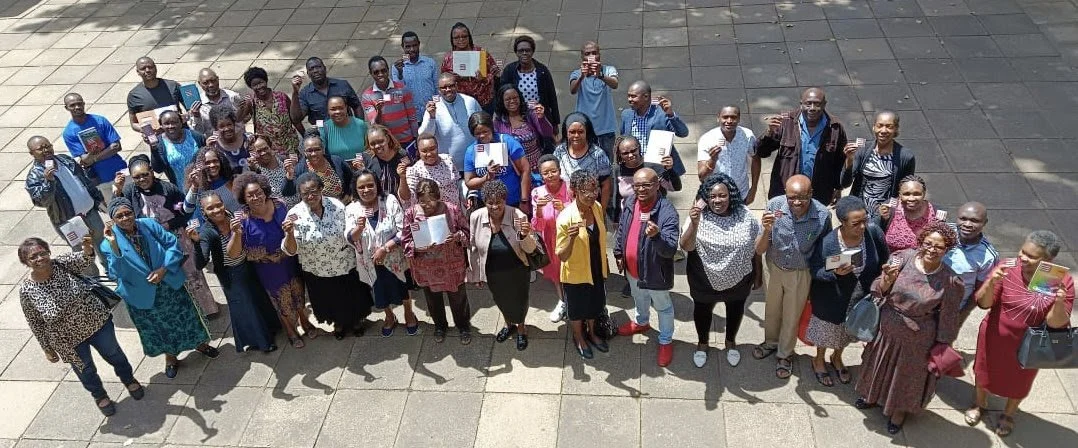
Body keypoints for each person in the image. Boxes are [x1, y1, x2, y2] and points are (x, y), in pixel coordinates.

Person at [854, 221, 963, 434]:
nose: (932, 249)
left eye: (939, 246)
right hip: (887, 327)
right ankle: (871, 396)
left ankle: (898, 411)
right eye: (928, 243)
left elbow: (949, 317)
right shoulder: (902, 258)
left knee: (905, 376)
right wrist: (887, 281)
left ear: (947, 249)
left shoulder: (950, 281)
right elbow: (878, 289)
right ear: (920, 242)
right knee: (878, 364)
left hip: (917, 338)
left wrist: (942, 344)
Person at [18, 236, 143, 416]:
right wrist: (46, 348)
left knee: (114, 353)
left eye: (42, 253)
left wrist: (87, 248)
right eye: (33, 257)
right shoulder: (26, 290)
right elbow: (34, 322)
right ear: (26, 262)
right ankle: (99, 395)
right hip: (67, 339)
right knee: (85, 369)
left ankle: (129, 379)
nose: (40, 258)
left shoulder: (62, 263)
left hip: (97, 323)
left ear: (49, 252)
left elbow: (85, 258)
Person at [967, 230, 1074, 437]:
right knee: (983, 371)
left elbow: (1055, 323)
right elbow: (984, 303)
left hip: (1029, 344)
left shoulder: (1059, 280)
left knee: (1020, 381)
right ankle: (979, 404)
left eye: (1031, 256)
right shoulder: (1007, 268)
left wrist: (1060, 301)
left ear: (1047, 260)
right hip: (994, 336)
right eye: (1022, 251)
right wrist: (991, 282)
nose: (1022, 258)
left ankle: (1008, 414)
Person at [100, 197, 219, 379]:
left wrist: (164, 269)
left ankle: (199, 344)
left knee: (185, 317)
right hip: (142, 294)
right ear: (113, 220)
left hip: (168, 284)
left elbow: (172, 244)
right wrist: (115, 245)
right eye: (119, 216)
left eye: (128, 213)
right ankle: (170, 357)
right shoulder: (108, 244)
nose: (125, 218)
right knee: (160, 328)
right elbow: (117, 273)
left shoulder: (148, 225)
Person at [114, 154, 219, 318]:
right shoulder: (130, 192)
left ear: (151, 171)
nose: (142, 179)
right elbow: (120, 212)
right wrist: (117, 191)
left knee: (192, 274)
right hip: (153, 243)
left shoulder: (168, 189)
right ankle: (188, 312)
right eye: (137, 177)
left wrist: (166, 225)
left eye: (145, 174)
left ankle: (208, 309)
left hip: (178, 238)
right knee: (171, 277)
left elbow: (185, 213)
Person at [753, 174, 832, 380]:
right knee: (772, 311)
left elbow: (824, 250)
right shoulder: (774, 206)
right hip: (774, 268)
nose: (797, 202)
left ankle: (785, 354)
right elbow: (759, 249)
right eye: (792, 197)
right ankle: (771, 342)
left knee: (791, 315)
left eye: (803, 197)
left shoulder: (822, 215)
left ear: (811, 194)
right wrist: (766, 230)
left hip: (800, 272)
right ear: (785, 195)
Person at [681, 172, 763, 368]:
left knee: (735, 310)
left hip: (739, 279)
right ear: (705, 198)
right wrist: (694, 224)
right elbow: (686, 246)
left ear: (731, 195)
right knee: (702, 311)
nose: (717, 200)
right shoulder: (697, 216)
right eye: (712, 196)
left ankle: (730, 342)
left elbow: (755, 247)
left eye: (722, 195)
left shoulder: (745, 216)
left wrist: (758, 274)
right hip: (703, 279)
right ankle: (702, 344)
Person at [806, 196, 888, 386]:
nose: (862, 226)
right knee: (827, 333)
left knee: (847, 331)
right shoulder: (828, 243)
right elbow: (815, 269)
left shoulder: (873, 233)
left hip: (860, 297)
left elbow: (884, 259)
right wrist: (834, 273)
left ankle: (837, 357)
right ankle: (819, 360)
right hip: (832, 299)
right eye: (855, 223)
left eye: (864, 220)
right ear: (842, 222)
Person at [283, 172, 374, 339]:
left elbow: (349, 232)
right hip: (318, 269)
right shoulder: (294, 214)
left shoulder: (336, 205)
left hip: (344, 263)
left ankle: (356, 321)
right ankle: (338, 324)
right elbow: (291, 250)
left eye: (314, 191)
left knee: (351, 296)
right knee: (330, 300)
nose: (310, 196)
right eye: (305, 193)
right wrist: (289, 234)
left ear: (321, 189)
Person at [235, 173, 316, 348]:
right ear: (244, 198)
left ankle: (304, 320)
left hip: (290, 260)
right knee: (281, 300)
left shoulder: (280, 204)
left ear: (264, 191)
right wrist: (267, 256)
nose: (256, 197)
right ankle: (290, 330)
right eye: (250, 195)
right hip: (268, 268)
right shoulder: (242, 219)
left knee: (299, 292)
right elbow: (241, 250)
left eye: (258, 192)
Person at [192, 193, 277, 353]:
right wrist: (196, 244)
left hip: (247, 265)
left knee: (259, 298)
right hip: (231, 275)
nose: (216, 210)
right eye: (210, 208)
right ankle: (262, 342)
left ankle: (271, 328)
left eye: (218, 205)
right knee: (246, 308)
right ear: (203, 212)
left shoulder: (232, 216)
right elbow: (200, 263)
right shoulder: (206, 232)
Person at [614, 168, 680, 367]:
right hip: (632, 269)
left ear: (657, 185)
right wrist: (619, 253)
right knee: (639, 297)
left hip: (654, 273)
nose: (641, 189)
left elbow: (670, 249)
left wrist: (657, 236)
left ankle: (665, 340)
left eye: (646, 185)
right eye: (637, 185)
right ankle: (642, 322)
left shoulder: (667, 212)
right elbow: (622, 228)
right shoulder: (631, 202)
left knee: (663, 307)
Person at [346, 170, 419, 337]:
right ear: (355, 189)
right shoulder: (351, 209)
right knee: (379, 291)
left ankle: (408, 313)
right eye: (361, 187)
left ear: (377, 185)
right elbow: (349, 238)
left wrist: (385, 249)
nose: (366, 190)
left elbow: (403, 229)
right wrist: (359, 228)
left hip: (394, 257)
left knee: (402, 287)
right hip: (370, 261)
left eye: (370, 185)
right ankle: (389, 316)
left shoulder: (389, 200)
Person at [469, 180, 539, 351]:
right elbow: (473, 247)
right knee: (500, 299)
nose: (495, 207)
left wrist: (524, 235)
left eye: (499, 202)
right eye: (490, 203)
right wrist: (475, 274)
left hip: (517, 269)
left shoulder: (518, 215)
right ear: (484, 202)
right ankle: (508, 325)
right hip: (493, 271)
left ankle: (521, 328)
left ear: (505, 200)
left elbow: (531, 249)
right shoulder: (476, 217)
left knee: (519, 301)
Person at [402, 179, 472, 344]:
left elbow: (467, 232)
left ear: (439, 197)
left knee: (458, 298)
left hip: (451, 265)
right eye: (422, 201)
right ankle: (440, 326)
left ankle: (463, 326)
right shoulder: (411, 214)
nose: (427, 205)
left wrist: (456, 237)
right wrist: (419, 247)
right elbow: (405, 241)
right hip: (426, 268)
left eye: (431, 200)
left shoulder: (452, 210)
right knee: (433, 299)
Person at [24, 136, 107, 274]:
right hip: (68, 221)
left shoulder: (65, 160)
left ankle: (112, 271)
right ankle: (93, 281)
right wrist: (48, 182)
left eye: (48, 146)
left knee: (102, 243)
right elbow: (42, 201)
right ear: (32, 153)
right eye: (40, 149)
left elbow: (85, 180)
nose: (46, 150)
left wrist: (98, 199)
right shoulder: (34, 176)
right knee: (82, 252)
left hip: (90, 212)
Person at [755, 87, 852, 204]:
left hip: (818, 195)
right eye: (808, 104)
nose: (812, 108)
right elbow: (761, 152)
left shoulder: (835, 127)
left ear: (824, 105)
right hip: (785, 194)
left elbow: (839, 162)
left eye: (817, 104)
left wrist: (838, 188)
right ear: (801, 104)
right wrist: (769, 132)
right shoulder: (786, 122)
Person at [556, 171, 610, 359]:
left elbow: (599, 238)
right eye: (585, 191)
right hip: (576, 272)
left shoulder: (596, 207)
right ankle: (579, 337)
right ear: (574, 191)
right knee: (577, 309)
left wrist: (605, 262)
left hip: (595, 267)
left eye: (594, 189)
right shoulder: (565, 218)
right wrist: (570, 239)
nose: (591, 195)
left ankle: (593, 333)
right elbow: (562, 256)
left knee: (594, 303)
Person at [840, 111, 915, 216]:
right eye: (880, 126)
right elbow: (845, 183)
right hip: (859, 211)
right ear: (874, 127)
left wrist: (893, 210)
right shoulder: (862, 151)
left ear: (896, 129)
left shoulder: (906, 157)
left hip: (885, 213)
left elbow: (906, 188)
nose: (883, 130)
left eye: (889, 127)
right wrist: (849, 160)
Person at [531, 155, 572, 322]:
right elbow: (537, 226)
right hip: (550, 238)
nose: (550, 175)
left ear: (560, 171)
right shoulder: (537, 193)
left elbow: (580, 215)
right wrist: (539, 209)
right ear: (541, 175)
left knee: (572, 270)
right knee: (556, 273)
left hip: (570, 238)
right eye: (545, 173)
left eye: (553, 171)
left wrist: (564, 208)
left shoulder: (570, 189)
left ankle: (574, 302)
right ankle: (562, 301)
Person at [62, 92, 126, 201]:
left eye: (79, 103)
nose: (77, 107)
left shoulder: (100, 120)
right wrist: (92, 155)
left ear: (84, 104)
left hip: (119, 169)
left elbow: (116, 146)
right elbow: (85, 160)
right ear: (66, 108)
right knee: (113, 206)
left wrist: (94, 158)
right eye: (72, 105)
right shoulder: (69, 133)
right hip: (100, 178)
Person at [619, 80, 688, 179]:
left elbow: (683, 133)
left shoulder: (662, 114)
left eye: (633, 96)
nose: (629, 99)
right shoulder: (626, 115)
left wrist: (670, 114)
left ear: (646, 96)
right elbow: (623, 140)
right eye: (628, 96)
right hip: (635, 169)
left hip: (660, 170)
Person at [943, 202, 999, 324]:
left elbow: (979, 291)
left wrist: (961, 316)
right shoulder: (942, 232)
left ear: (984, 222)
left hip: (952, 309)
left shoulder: (988, 257)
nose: (967, 224)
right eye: (963, 219)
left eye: (974, 221)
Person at [463, 112, 531, 209]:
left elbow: (525, 170)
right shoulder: (471, 151)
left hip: (513, 202)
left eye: (485, 131)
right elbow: (469, 182)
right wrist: (487, 177)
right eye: (478, 133)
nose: (482, 136)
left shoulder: (508, 142)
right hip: (488, 206)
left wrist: (524, 200)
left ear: (491, 129)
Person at [418, 72, 482, 172]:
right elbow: (425, 135)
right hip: (448, 167)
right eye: (444, 87)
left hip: (473, 162)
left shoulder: (470, 101)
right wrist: (432, 117)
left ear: (456, 86)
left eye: (451, 86)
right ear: (439, 90)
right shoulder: (433, 108)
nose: (448, 89)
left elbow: (483, 125)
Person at [697, 105, 759, 204]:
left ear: (739, 119)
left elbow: (756, 159)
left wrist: (754, 188)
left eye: (733, 117)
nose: (729, 121)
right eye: (725, 117)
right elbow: (702, 176)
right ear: (718, 118)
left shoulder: (748, 136)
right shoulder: (707, 139)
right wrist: (712, 160)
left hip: (740, 193)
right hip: (715, 197)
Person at [500, 35, 561, 137]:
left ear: (532, 51)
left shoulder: (542, 71)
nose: (524, 53)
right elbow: (501, 94)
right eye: (521, 51)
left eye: (527, 50)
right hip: (518, 116)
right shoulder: (509, 70)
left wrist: (555, 122)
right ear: (516, 52)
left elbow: (552, 97)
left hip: (539, 116)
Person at [553, 113, 612, 213]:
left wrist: (601, 211)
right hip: (564, 208)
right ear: (566, 133)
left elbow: (606, 185)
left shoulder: (597, 154)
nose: (576, 135)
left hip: (590, 208)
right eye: (572, 132)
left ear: (587, 132)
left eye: (580, 132)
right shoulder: (559, 151)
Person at [569, 41, 619, 158]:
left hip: (606, 128)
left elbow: (615, 84)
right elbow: (572, 90)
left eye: (594, 53)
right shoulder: (577, 73)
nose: (591, 56)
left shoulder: (609, 70)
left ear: (599, 55)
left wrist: (600, 75)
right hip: (585, 128)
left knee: (607, 162)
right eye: (587, 54)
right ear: (582, 57)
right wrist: (582, 76)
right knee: (586, 161)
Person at [240, 66, 304, 157]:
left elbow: (295, 119)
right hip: (269, 152)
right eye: (255, 85)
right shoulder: (251, 102)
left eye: (261, 82)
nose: (259, 87)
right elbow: (240, 120)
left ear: (266, 81)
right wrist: (242, 107)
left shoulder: (282, 97)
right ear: (251, 87)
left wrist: (305, 135)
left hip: (291, 146)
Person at [613, 136, 680, 220]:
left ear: (639, 148)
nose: (630, 155)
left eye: (633, 151)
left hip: (655, 216)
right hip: (629, 218)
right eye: (625, 153)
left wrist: (670, 170)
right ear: (620, 154)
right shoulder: (618, 170)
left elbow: (675, 187)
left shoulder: (654, 166)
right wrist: (616, 220)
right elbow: (617, 197)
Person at [493, 84, 555, 172]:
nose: (512, 101)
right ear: (502, 102)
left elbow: (548, 133)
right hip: (515, 170)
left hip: (536, 167)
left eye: (515, 97)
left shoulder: (529, 113)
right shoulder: (498, 122)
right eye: (508, 99)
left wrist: (541, 118)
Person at [440, 22, 500, 112]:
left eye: (464, 36)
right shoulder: (448, 58)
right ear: (452, 40)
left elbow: (494, 74)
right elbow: (444, 81)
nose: (461, 40)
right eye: (456, 37)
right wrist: (452, 79)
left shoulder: (480, 53)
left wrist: (483, 78)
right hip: (461, 104)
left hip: (483, 101)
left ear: (469, 37)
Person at [290, 56, 362, 126]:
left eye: (318, 67)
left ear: (325, 69)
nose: (315, 71)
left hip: (345, 127)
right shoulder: (305, 94)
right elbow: (296, 119)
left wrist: (360, 126)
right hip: (321, 130)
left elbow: (356, 106)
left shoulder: (342, 85)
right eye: (311, 69)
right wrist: (295, 92)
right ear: (308, 74)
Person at [362, 56, 417, 147]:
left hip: (406, 140)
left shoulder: (402, 89)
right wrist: (379, 111)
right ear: (371, 73)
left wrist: (416, 138)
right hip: (386, 144)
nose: (380, 74)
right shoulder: (367, 96)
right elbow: (375, 125)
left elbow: (412, 116)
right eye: (376, 72)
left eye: (383, 70)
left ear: (388, 70)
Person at [399, 133, 461, 207]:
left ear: (437, 147)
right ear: (418, 152)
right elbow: (406, 198)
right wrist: (402, 178)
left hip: (455, 209)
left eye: (432, 149)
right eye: (424, 151)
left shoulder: (447, 160)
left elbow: (456, 183)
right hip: (433, 212)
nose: (429, 154)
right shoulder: (414, 171)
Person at [881, 175, 940, 253]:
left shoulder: (936, 212)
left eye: (917, 194)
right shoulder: (890, 207)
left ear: (924, 194)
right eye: (906, 194)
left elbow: (942, 241)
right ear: (899, 194)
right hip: (892, 258)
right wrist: (882, 218)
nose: (911, 198)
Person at [150, 110, 206, 189]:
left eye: (174, 122)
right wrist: (153, 149)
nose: (171, 126)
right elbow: (158, 169)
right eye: (166, 123)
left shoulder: (196, 137)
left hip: (204, 185)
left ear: (181, 122)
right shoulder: (159, 143)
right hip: (180, 189)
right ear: (161, 125)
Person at [126, 57, 183, 134]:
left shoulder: (173, 86)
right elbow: (134, 124)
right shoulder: (134, 95)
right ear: (138, 72)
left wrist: (185, 117)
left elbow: (190, 108)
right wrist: (147, 130)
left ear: (155, 68)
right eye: (143, 68)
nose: (147, 70)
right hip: (157, 137)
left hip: (181, 133)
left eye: (150, 67)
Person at [392, 31, 440, 124]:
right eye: (408, 46)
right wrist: (400, 74)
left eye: (414, 45)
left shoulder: (430, 63)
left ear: (419, 44)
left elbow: (436, 88)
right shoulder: (397, 67)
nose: (412, 49)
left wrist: (437, 106)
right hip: (412, 116)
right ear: (402, 47)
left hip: (431, 113)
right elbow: (398, 93)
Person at [293, 133, 355, 202]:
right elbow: (289, 191)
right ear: (304, 152)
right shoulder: (300, 169)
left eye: (317, 149)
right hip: (315, 207)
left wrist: (348, 196)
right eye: (309, 150)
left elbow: (351, 179)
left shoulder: (337, 161)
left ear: (323, 149)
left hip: (343, 203)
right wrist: (289, 176)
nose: (314, 154)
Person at [354, 125, 409, 199]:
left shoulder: (402, 155)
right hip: (377, 201)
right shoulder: (365, 158)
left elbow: (410, 184)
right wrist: (362, 171)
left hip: (400, 200)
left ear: (387, 139)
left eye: (380, 141)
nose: (377, 146)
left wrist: (402, 175)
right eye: (372, 144)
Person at [247, 134, 300, 207]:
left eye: (265, 149)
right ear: (252, 154)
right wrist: (253, 171)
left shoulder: (285, 161)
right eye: (259, 151)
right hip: (276, 212)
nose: (263, 153)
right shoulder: (255, 172)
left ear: (271, 147)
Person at [184, 146, 241, 214]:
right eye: (207, 163)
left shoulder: (231, 179)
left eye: (215, 161)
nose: (212, 165)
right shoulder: (199, 187)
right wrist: (194, 186)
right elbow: (188, 209)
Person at [188, 67, 243, 135]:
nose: (211, 85)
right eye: (205, 83)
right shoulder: (197, 105)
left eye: (213, 80)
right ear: (200, 84)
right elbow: (198, 132)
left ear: (217, 79)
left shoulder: (233, 97)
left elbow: (245, 117)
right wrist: (196, 117)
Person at [206, 105, 252, 175]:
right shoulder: (214, 146)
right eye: (222, 126)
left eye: (229, 124)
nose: (227, 129)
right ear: (216, 128)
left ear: (234, 124)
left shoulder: (249, 139)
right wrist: (209, 149)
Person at [319, 96, 368, 161]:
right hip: (337, 167)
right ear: (328, 111)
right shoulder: (323, 129)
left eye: (341, 108)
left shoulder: (360, 124)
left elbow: (369, 149)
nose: (337, 111)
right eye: (333, 109)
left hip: (361, 165)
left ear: (346, 108)